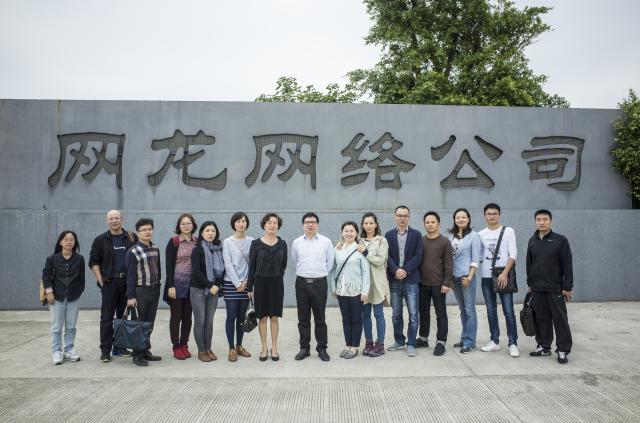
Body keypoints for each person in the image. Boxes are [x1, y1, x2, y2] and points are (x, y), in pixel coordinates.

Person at [89, 210, 138, 362]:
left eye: (117, 218)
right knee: (106, 318)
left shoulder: (131, 237)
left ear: (122, 220)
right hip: (109, 283)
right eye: (111, 219)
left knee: (123, 317)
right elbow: (93, 261)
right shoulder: (100, 240)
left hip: (127, 282)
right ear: (107, 221)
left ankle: (119, 347)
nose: (114, 221)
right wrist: (100, 280)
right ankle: (105, 350)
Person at [526, 209, 574, 364]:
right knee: (541, 318)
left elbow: (567, 265)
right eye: (539, 219)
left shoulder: (560, 240)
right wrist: (530, 284)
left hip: (556, 288)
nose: (542, 222)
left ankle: (563, 350)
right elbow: (529, 264)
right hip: (537, 288)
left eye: (545, 219)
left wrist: (568, 287)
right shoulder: (532, 240)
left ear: (550, 221)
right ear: (535, 221)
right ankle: (544, 347)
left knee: (560, 319)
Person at [291, 212, 334, 362]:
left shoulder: (326, 242)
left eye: (313, 222)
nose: (310, 224)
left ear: (317, 224)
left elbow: (330, 262)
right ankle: (304, 348)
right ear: (303, 225)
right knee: (303, 318)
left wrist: (319, 274)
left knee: (320, 318)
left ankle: (322, 348)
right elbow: (295, 260)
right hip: (301, 283)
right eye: (307, 222)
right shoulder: (297, 242)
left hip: (319, 283)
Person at [479, 203, 520, 357]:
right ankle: (494, 341)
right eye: (489, 213)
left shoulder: (508, 231)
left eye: (495, 213)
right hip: (486, 277)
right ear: (484, 216)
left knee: (508, 311)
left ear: (499, 215)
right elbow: (478, 255)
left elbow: (513, 254)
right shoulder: (480, 234)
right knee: (491, 311)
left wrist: (504, 273)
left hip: (503, 276)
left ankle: (513, 343)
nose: (492, 216)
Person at [247, 213, 287, 362]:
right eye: (269, 222)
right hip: (260, 284)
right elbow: (252, 266)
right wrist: (249, 287)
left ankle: (274, 347)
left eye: (275, 223)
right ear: (264, 225)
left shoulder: (282, 244)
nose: (272, 225)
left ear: (278, 226)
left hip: (276, 284)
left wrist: (275, 273)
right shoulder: (255, 244)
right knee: (262, 317)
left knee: (274, 317)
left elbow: (284, 264)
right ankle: (264, 347)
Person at [385, 205, 423, 357]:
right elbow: (387, 256)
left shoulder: (416, 234)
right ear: (395, 216)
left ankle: (411, 343)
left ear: (409, 217)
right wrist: (396, 270)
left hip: (411, 280)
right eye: (399, 215)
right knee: (396, 314)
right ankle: (399, 340)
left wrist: (405, 270)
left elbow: (418, 255)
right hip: (395, 280)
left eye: (405, 215)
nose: (402, 218)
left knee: (413, 314)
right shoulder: (388, 235)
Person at [42, 231, 85, 365]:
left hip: (74, 297)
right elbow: (46, 276)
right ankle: (56, 351)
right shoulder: (52, 259)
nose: (68, 241)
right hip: (56, 297)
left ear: (75, 242)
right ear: (60, 242)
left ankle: (69, 350)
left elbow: (81, 278)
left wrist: (79, 291)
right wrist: (49, 292)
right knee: (56, 327)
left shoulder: (79, 259)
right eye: (65, 239)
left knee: (71, 326)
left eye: (71, 239)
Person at [330, 221, 370, 359]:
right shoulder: (337, 249)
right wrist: (333, 287)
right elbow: (333, 269)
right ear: (342, 233)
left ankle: (354, 347)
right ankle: (347, 344)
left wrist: (365, 291)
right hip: (341, 290)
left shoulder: (360, 249)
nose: (348, 233)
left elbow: (366, 271)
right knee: (346, 319)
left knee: (356, 319)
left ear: (356, 233)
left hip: (356, 290)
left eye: (351, 231)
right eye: (346, 231)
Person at [125, 218, 162, 367]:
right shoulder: (133, 251)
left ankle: (145, 350)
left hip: (154, 290)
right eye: (144, 230)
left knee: (149, 323)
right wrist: (130, 296)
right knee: (139, 324)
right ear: (138, 232)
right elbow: (130, 276)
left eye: (149, 229)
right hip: (140, 291)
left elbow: (158, 269)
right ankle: (137, 355)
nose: (147, 232)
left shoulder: (155, 248)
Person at [418, 211, 454, 356]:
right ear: (424, 224)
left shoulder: (445, 242)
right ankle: (423, 338)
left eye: (433, 222)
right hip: (422, 284)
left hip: (439, 284)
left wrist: (447, 283)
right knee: (423, 312)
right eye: (427, 222)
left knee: (441, 314)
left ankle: (441, 342)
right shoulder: (421, 240)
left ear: (438, 224)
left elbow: (449, 265)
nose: (430, 224)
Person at [447, 208, 481, 354]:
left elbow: (475, 259)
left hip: (466, 277)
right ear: (454, 220)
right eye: (458, 217)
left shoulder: (474, 236)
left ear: (468, 218)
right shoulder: (450, 236)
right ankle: (464, 338)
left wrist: (470, 277)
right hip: (454, 277)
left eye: (463, 217)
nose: (460, 219)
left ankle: (470, 342)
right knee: (462, 309)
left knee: (469, 310)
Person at [164, 213, 198, 360]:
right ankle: (176, 346)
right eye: (183, 223)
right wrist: (171, 286)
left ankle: (184, 344)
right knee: (176, 317)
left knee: (188, 318)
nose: (186, 225)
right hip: (177, 286)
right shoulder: (174, 242)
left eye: (188, 223)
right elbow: (169, 265)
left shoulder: (197, 241)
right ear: (179, 226)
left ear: (193, 225)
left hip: (193, 286)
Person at [190, 221, 224, 362]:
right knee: (200, 321)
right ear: (202, 233)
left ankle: (208, 348)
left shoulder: (218, 249)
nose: (210, 233)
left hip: (213, 290)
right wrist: (210, 285)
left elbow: (221, 270)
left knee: (209, 322)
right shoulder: (197, 249)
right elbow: (196, 271)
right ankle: (201, 350)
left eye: (213, 231)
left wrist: (216, 285)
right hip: (198, 289)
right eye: (207, 231)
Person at [222, 212, 253, 362]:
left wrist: (246, 283)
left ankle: (239, 346)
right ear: (233, 224)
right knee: (231, 316)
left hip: (246, 284)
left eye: (243, 221)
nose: (241, 224)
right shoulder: (227, 242)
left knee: (242, 317)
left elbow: (253, 264)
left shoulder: (252, 241)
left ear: (247, 223)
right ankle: (231, 348)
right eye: (238, 221)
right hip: (230, 284)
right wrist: (237, 283)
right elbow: (227, 264)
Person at [358, 212, 390, 358]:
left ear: (376, 224)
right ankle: (369, 342)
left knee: (378, 314)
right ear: (362, 225)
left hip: (377, 283)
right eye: (366, 223)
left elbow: (380, 261)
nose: (368, 226)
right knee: (365, 315)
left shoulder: (382, 240)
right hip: (362, 284)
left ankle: (380, 344)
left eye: (371, 223)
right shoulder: (358, 240)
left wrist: (365, 252)